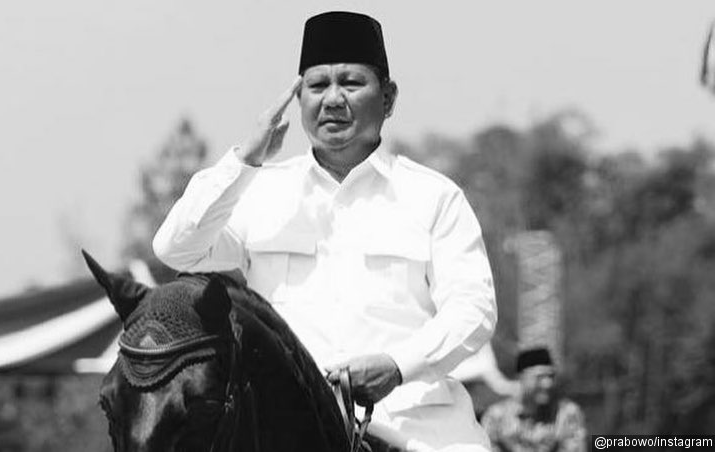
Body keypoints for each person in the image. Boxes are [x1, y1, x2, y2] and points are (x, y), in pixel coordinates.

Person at [153, 11, 496, 452]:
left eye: (351, 83)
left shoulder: (434, 197)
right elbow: (176, 249)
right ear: (298, 100)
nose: (333, 99)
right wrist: (244, 159)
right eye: (317, 86)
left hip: (417, 431)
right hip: (287, 432)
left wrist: (397, 366)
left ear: (388, 98)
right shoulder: (260, 192)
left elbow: (473, 310)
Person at [480, 348, 587, 452]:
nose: (547, 384)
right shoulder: (496, 417)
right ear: (521, 377)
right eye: (539, 377)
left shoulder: (566, 413)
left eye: (551, 377)